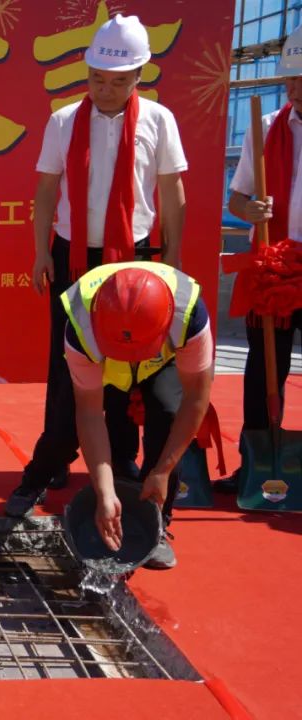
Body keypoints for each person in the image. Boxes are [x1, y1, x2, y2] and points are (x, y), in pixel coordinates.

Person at [5, 14, 188, 517]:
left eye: (118, 81)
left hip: (136, 259)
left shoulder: (158, 121)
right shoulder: (64, 121)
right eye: (97, 79)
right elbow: (46, 190)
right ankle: (51, 461)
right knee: (69, 365)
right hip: (74, 257)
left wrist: (172, 260)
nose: (105, 90)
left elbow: (171, 191)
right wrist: (42, 251)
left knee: (132, 361)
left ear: (139, 76)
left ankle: (123, 458)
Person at [62, 262, 212, 569]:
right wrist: (104, 491)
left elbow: (196, 397)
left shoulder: (189, 315)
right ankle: (116, 496)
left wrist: (163, 470)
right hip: (105, 358)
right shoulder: (81, 327)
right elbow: (90, 413)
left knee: (168, 412)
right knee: (108, 423)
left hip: (162, 359)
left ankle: (158, 521)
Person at [216, 24, 302, 493]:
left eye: (301, 80)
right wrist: (248, 210)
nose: (294, 89)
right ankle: (255, 463)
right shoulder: (266, 126)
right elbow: (238, 196)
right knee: (264, 368)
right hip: (271, 262)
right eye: (290, 78)